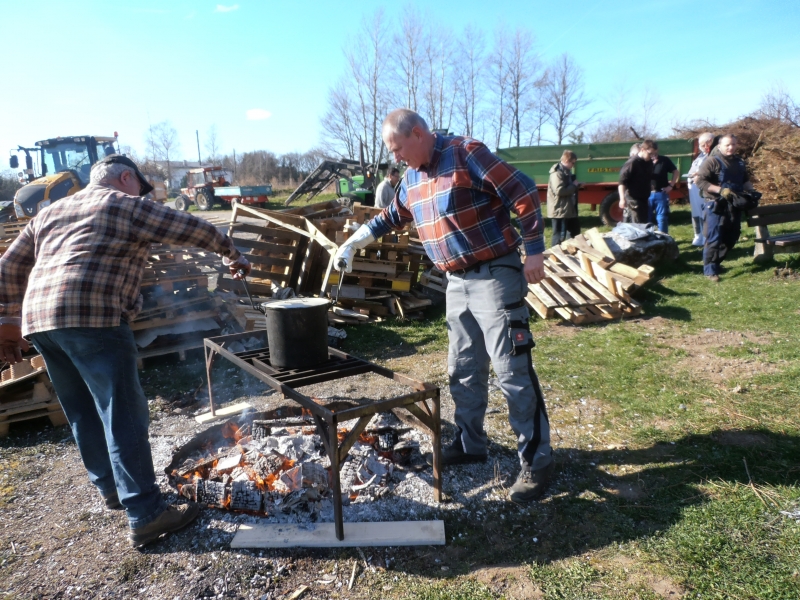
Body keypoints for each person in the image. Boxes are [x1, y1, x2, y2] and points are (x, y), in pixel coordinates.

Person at [0, 155, 251, 548]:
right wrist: (232, 253)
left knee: (83, 410)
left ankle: (113, 490)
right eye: (140, 188)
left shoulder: (50, 213)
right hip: (94, 315)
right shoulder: (123, 203)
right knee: (123, 412)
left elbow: (8, 267)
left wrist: (8, 322)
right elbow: (189, 227)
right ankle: (146, 514)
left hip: (42, 323)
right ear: (125, 177)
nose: (142, 196)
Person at [334, 109, 553, 504]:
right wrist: (353, 242)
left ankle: (536, 462)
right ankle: (470, 444)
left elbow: (522, 190)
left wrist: (535, 250)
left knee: (511, 369)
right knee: (463, 368)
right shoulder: (411, 178)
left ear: (418, 133)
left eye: (398, 148)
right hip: (456, 282)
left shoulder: (466, 154)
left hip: (494, 274)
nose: (396, 157)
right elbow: (390, 217)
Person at [694, 134, 756, 282]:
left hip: (733, 204)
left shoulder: (739, 162)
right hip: (715, 204)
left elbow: (745, 180)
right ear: (720, 146)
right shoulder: (712, 161)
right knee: (714, 237)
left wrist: (752, 191)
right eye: (727, 145)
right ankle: (710, 270)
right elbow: (700, 181)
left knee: (732, 236)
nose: (730, 147)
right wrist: (720, 190)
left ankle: (716, 262)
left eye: (733, 144)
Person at [547, 150, 581, 247]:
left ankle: (572, 252)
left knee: (574, 233)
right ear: (566, 160)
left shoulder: (566, 171)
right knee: (559, 237)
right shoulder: (557, 173)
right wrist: (574, 186)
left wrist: (577, 185)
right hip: (560, 210)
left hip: (567, 209)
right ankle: (555, 254)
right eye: (572, 163)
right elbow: (560, 191)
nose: (573, 166)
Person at [618, 140, 655, 224]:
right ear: (642, 149)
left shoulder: (649, 162)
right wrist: (622, 199)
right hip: (633, 199)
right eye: (650, 154)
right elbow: (622, 182)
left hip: (644, 198)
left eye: (654, 154)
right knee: (637, 225)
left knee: (643, 224)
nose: (652, 156)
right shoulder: (632, 163)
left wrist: (650, 184)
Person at [687, 133, 714, 246]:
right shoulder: (700, 156)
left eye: (703, 144)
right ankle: (698, 235)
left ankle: (705, 236)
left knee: (704, 212)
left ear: (710, 142)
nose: (702, 147)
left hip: (703, 187)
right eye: (701, 144)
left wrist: (698, 174)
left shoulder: (713, 155)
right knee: (696, 212)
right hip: (693, 186)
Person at [647, 141, 679, 233]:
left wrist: (671, 185)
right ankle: (648, 238)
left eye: (654, 152)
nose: (652, 154)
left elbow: (675, 172)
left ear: (657, 150)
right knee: (647, 219)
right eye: (650, 152)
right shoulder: (645, 161)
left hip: (661, 193)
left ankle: (663, 237)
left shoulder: (664, 160)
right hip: (647, 194)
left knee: (662, 219)